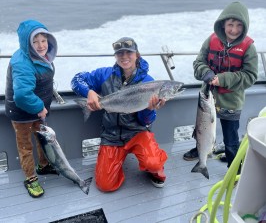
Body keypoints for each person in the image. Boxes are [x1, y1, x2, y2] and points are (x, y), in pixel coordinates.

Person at [71, 37, 168, 192]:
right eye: (120, 53)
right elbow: (76, 80)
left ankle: (155, 170)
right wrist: (89, 92)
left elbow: (146, 122)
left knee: (154, 163)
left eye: (128, 53)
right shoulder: (104, 74)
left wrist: (150, 109)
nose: (124, 57)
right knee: (105, 185)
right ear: (115, 56)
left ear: (137, 54)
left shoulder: (148, 83)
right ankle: (115, 163)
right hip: (112, 134)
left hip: (137, 133)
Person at [183, 1, 258, 169]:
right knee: (202, 129)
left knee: (231, 139)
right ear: (223, 24)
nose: (234, 29)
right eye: (230, 24)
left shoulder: (249, 49)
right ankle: (201, 149)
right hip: (207, 97)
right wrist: (206, 73)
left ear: (245, 26)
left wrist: (222, 79)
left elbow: (250, 76)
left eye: (239, 25)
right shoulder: (211, 40)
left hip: (231, 101)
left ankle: (234, 167)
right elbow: (198, 63)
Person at [5, 19, 58, 198]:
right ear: (27, 43)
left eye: (43, 40)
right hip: (22, 113)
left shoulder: (39, 57)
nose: (41, 45)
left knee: (41, 139)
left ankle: (43, 166)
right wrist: (39, 107)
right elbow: (21, 95)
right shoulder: (22, 62)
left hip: (37, 110)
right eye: (35, 42)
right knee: (26, 147)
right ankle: (30, 178)